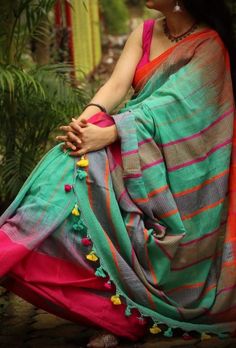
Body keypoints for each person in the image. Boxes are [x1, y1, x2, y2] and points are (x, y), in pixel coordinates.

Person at [0, 0, 236, 347]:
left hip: (172, 166)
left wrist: (112, 133)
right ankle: (12, 247)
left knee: (89, 169)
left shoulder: (208, 46)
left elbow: (179, 109)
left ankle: (121, 313)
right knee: (67, 165)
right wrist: (84, 123)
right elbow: (115, 86)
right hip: (131, 143)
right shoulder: (143, 33)